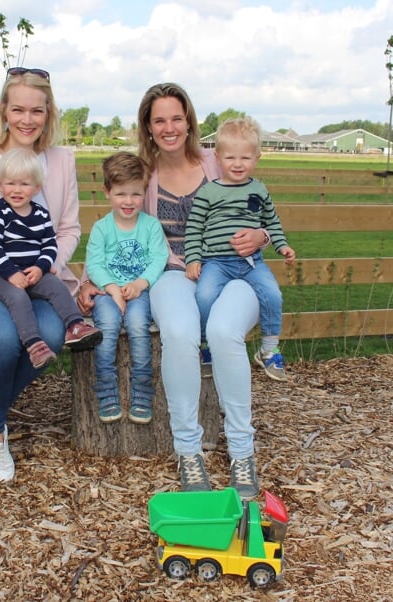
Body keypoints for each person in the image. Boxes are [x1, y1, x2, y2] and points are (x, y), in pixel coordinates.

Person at [77, 83, 270, 501]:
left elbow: (260, 212)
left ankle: (241, 451)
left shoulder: (216, 161)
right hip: (171, 274)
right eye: (159, 119)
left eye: (176, 118)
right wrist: (93, 279)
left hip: (234, 270)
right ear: (148, 125)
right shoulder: (143, 173)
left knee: (223, 333)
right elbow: (119, 235)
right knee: (180, 333)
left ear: (189, 121)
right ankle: (188, 450)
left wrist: (260, 236)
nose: (169, 127)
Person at [0, 67, 84, 483]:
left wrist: (44, 265)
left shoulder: (62, 162)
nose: (27, 119)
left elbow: (69, 229)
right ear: (4, 110)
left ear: (48, 113)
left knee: (54, 336)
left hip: (43, 276)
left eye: (36, 111)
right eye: (18, 109)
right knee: (4, 338)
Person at [184, 117, 296, 381]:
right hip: (216, 262)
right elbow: (194, 228)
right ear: (217, 157)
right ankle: (206, 345)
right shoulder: (208, 192)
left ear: (257, 158)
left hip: (251, 262)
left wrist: (282, 245)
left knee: (272, 293)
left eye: (245, 158)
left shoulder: (258, 189)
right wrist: (193, 259)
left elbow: (272, 221)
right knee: (204, 294)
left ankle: (268, 350)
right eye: (230, 157)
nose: (237, 164)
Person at [0, 147, 102, 369]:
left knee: (56, 286)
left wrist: (41, 267)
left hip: (31, 270)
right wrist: (11, 273)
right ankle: (34, 344)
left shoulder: (41, 215)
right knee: (18, 297)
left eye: (24, 184)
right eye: (10, 183)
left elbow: (49, 245)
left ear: (36, 187)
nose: (17, 190)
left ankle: (75, 325)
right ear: (0, 185)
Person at [84, 151, 168, 424]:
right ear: (107, 191)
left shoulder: (150, 226)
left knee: (137, 326)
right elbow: (94, 264)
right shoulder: (102, 228)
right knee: (107, 326)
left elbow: (158, 258)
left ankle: (142, 389)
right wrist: (111, 288)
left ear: (144, 191)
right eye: (121, 194)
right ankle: (106, 388)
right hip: (108, 293)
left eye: (135, 194)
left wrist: (140, 283)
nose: (129, 202)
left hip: (138, 291)